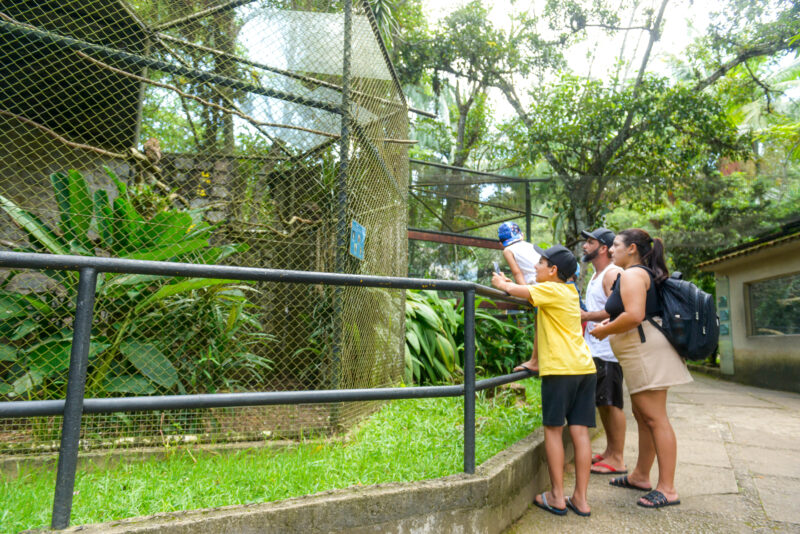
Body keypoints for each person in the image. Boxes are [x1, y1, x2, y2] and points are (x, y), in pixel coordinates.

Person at [590, 229, 692, 509]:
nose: (611, 251)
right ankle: (640, 476)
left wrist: (604, 330)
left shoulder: (634, 274)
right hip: (639, 352)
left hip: (647, 351)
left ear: (632, 248)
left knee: (656, 418)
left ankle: (667, 488)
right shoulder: (635, 273)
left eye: (616, 246)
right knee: (644, 415)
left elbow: (634, 315)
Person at [492, 245, 596, 517]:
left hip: (561, 370)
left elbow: (516, 291)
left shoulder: (551, 290)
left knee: (553, 430)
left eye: (540, 264)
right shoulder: (570, 291)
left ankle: (557, 496)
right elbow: (531, 294)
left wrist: (501, 282)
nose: (535, 268)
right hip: (584, 367)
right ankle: (581, 500)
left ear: (552, 271)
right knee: (580, 432)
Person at [579, 228, 626, 475]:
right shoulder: (596, 276)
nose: (585, 246)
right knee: (603, 403)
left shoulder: (612, 273)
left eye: (590, 242)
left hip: (609, 351)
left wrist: (586, 315)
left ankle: (618, 458)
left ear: (604, 248)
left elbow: (620, 308)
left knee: (612, 403)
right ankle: (609, 451)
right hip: (596, 350)